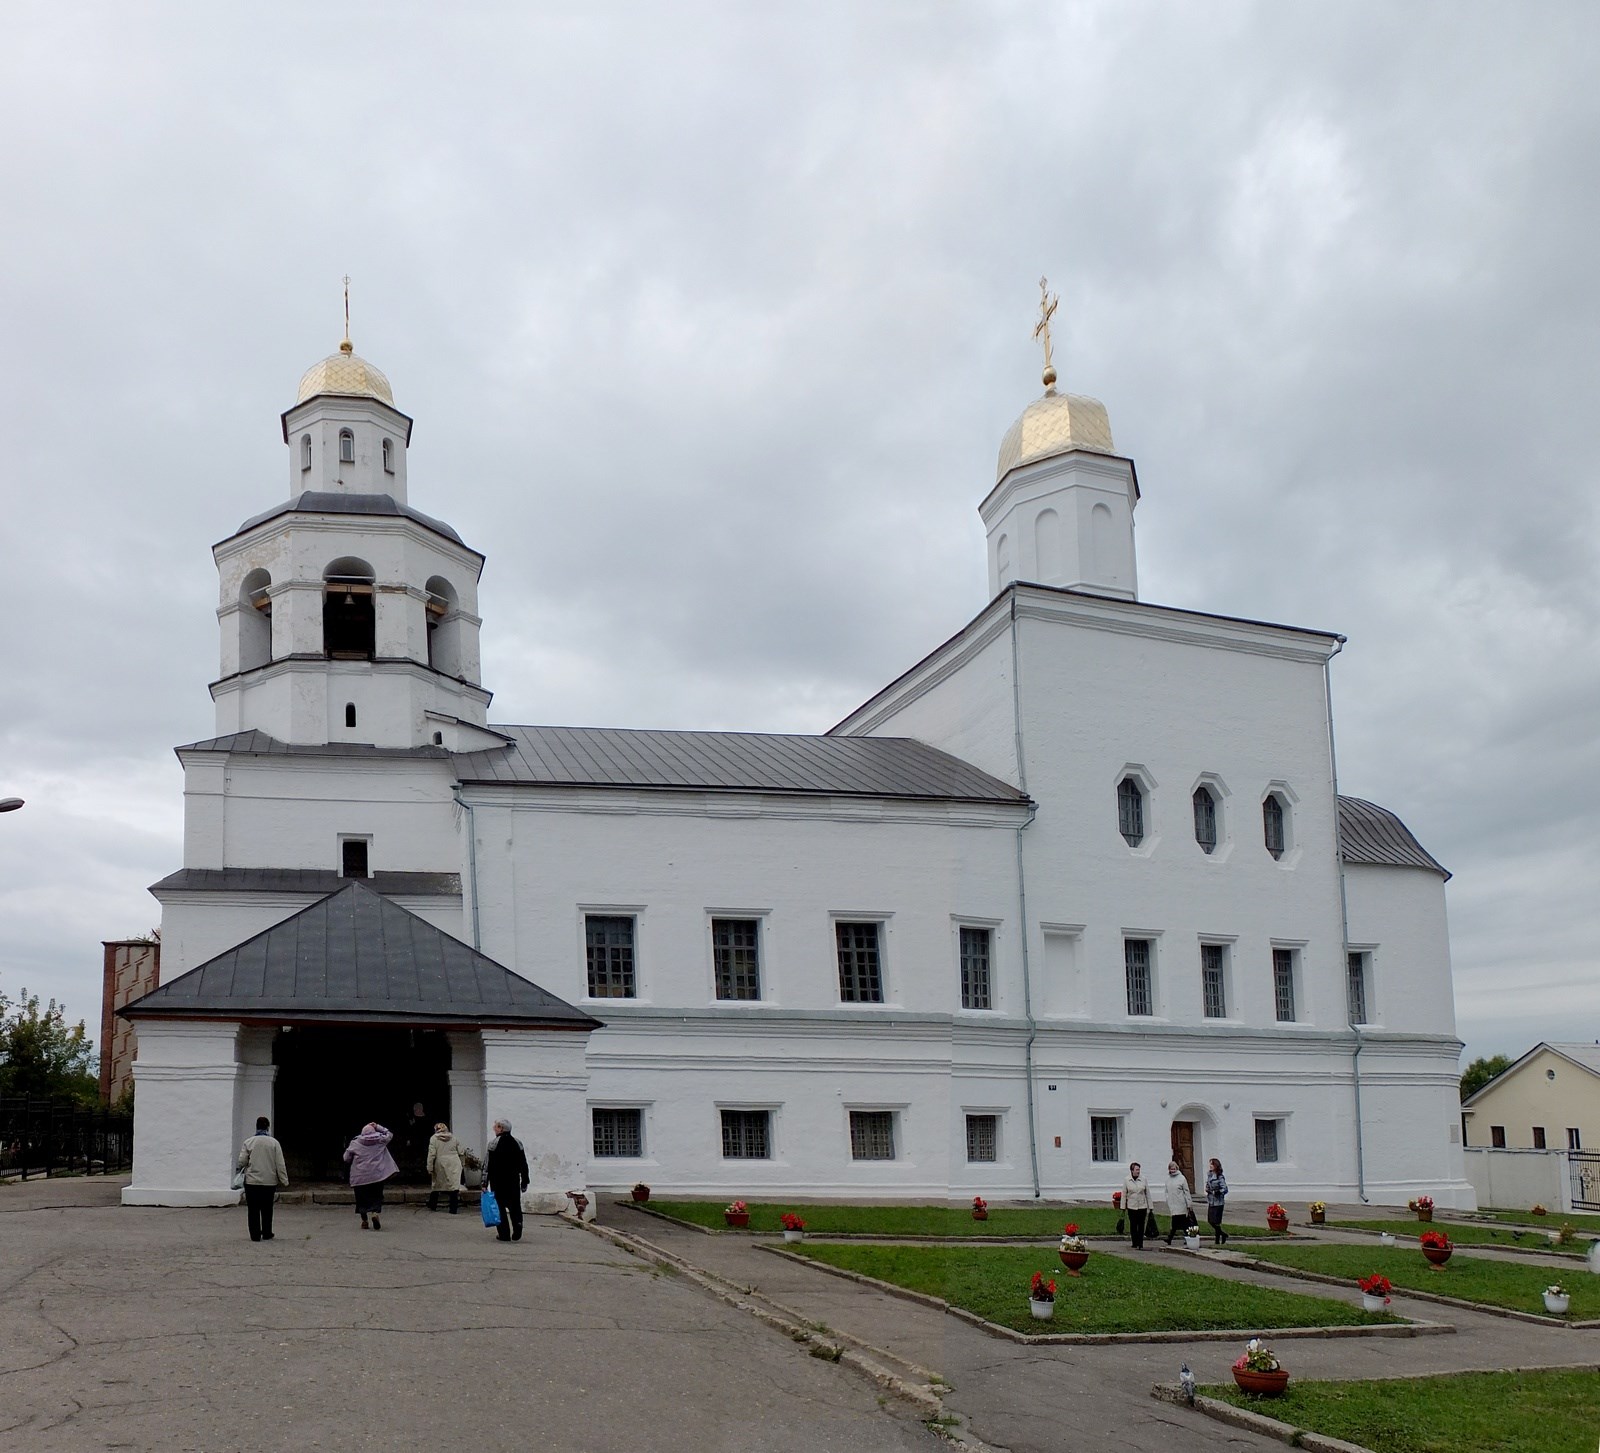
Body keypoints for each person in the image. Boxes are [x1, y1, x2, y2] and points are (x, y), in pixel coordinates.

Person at [237, 1115, 288, 1242]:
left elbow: (241, 1161)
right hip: (269, 1181)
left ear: (256, 1126)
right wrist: (284, 1180)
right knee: (267, 1208)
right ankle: (266, 1232)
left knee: (253, 1209)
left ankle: (255, 1235)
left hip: (252, 1181)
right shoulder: (274, 1143)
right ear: (268, 1127)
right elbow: (280, 1164)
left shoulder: (249, 1142)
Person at [343, 1121, 399, 1231]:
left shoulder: (355, 1143)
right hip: (377, 1175)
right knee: (376, 1196)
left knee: (361, 1198)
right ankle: (374, 1213)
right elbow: (390, 1134)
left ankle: (364, 1221)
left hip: (360, 1176)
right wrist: (378, 1126)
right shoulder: (380, 1140)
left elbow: (346, 1158)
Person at [484, 1117, 530, 1243]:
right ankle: (518, 1226)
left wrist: (484, 1182)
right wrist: (525, 1180)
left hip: (497, 1181)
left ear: (501, 1128)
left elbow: (487, 1165)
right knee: (515, 1206)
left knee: (499, 1208)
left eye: (496, 1126)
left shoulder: (493, 1144)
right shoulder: (518, 1143)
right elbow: (523, 1164)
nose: (494, 1128)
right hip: (513, 1180)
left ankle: (504, 1234)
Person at [427, 1122, 465, 1214]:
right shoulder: (454, 1138)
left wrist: (430, 1166)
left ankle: (433, 1205)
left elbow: (432, 1154)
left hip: (440, 1163)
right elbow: (461, 1152)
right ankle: (453, 1209)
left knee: (437, 1185)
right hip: (454, 1162)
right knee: (453, 1187)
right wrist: (462, 1164)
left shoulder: (433, 1139)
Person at [1163, 1160, 1196, 1244]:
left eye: (1174, 1169)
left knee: (1183, 1223)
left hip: (1181, 1204)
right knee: (1176, 1223)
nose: (1172, 1171)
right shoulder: (1168, 1179)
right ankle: (1174, 1238)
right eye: (1171, 1169)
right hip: (1173, 1205)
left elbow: (1186, 1191)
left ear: (1176, 1168)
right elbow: (1166, 1191)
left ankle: (1175, 1238)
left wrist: (1189, 1204)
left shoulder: (1181, 1178)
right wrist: (1168, 1199)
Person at [1122, 1161, 1151, 1249]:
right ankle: (1135, 1242)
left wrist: (1151, 1206)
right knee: (1133, 1225)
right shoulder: (1127, 1180)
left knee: (1141, 1225)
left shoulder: (1143, 1179)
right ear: (1132, 1170)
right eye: (1136, 1170)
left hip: (1142, 1206)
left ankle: (1140, 1243)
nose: (1138, 1171)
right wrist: (1123, 1206)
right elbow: (1124, 1194)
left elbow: (1147, 1193)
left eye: (1139, 1170)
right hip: (1132, 1206)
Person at [1205, 1157, 1229, 1245]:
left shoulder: (1220, 1176)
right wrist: (1207, 1189)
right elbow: (1208, 1184)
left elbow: (1225, 1189)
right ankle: (1223, 1234)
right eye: (1210, 1164)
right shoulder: (1209, 1175)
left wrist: (1218, 1192)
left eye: (1212, 1164)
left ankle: (1217, 1239)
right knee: (1210, 1220)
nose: (1210, 1166)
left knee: (1216, 1221)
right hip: (1211, 1200)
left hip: (1218, 1202)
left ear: (1216, 1165)